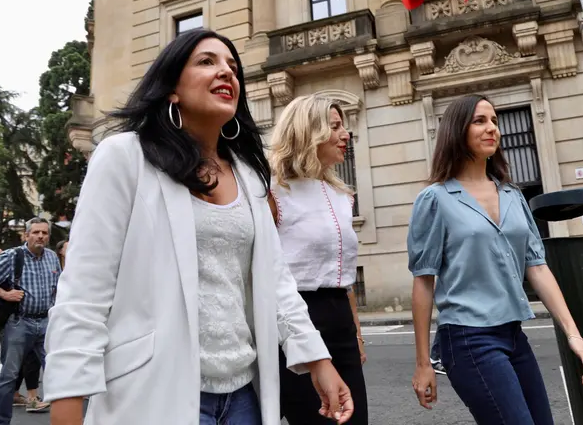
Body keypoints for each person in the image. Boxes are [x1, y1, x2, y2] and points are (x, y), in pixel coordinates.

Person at [42, 29, 353, 425]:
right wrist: (68, 397)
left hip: (243, 398)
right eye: (207, 61)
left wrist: (317, 360)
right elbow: (85, 289)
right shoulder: (124, 157)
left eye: (233, 67)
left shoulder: (249, 176)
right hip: (153, 393)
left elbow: (277, 282)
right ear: (171, 88)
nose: (227, 72)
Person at [407, 94, 583, 424]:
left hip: (513, 335)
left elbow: (536, 266)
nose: (492, 128)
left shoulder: (512, 195)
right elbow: (424, 281)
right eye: (479, 121)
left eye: (495, 121)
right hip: (468, 338)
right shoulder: (435, 199)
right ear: (457, 130)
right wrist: (423, 363)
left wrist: (573, 334)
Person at [267, 95, 369, 424]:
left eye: (344, 126)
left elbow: (345, 277)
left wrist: (356, 334)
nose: (345, 134)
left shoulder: (343, 197)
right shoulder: (274, 192)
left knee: (355, 418)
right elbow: (264, 270)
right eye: (335, 126)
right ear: (307, 132)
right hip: (296, 318)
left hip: (340, 320)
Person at [0, 218, 59, 423]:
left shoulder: (52, 257)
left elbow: (58, 288)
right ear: (26, 235)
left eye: (44, 233)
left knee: (57, 371)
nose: (40, 236)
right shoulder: (13, 256)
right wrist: (5, 294)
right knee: (9, 376)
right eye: (36, 232)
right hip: (19, 323)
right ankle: (1, 422)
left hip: (46, 322)